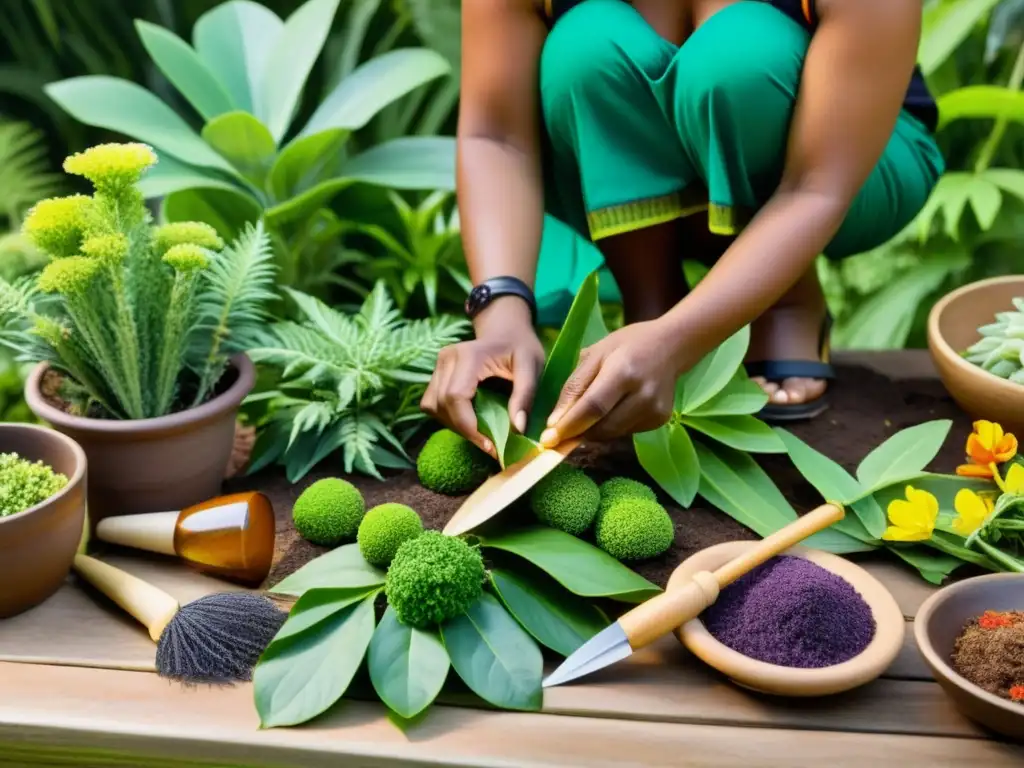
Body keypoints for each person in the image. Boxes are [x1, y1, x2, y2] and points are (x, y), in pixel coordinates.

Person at [420, 0, 943, 458]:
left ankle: (783, 301)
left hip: (850, 161)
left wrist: (675, 343)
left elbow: (816, 186)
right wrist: (501, 315)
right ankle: (651, 299)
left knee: (738, 57)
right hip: (613, 159)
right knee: (585, 48)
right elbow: (497, 138)